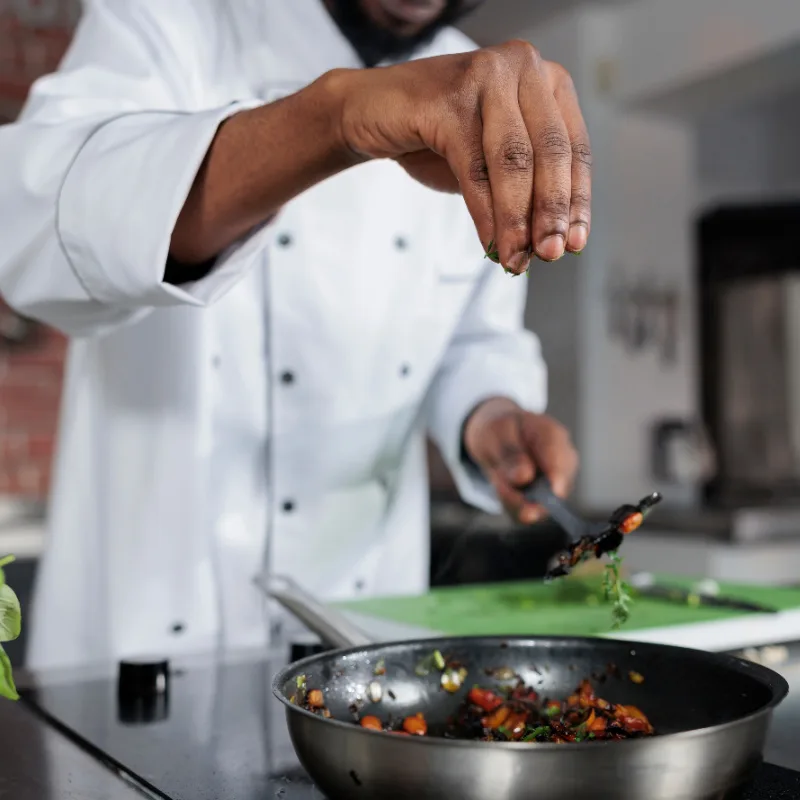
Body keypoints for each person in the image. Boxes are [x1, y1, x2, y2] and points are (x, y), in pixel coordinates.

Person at [0, 0, 588, 670]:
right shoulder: (175, 18)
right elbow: (34, 224)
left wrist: (491, 416)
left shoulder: (486, 89)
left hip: (365, 633)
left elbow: (477, 339)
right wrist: (335, 117)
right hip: (144, 633)